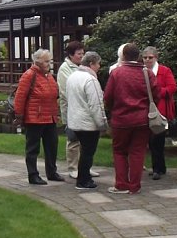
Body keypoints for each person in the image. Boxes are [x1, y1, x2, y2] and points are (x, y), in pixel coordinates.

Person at [103, 43, 159, 195]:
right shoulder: (147, 73)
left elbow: (108, 97)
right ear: (138, 56)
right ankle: (135, 186)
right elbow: (156, 95)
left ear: (124, 56)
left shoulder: (116, 73)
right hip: (142, 119)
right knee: (137, 152)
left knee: (120, 151)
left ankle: (121, 185)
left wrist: (112, 109)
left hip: (121, 119)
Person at [14, 48, 63, 185]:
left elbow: (54, 94)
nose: (49, 63)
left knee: (52, 146)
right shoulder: (29, 75)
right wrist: (19, 115)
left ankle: (52, 172)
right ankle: (33, 175)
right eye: (47, 61)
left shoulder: (48, 76)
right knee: (33, 148)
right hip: (35, 117)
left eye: (50, 61)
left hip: (50, 117)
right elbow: (20, 96)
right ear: (38, 61)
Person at [57, 41, 100, 180]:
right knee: (73, 139)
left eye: (83, 54)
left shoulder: (81, 67)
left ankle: (85, 167)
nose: (81, 57)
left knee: (86, 142)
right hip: (71, 109)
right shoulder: (65, 68)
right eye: (78, 54)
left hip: (84, 109)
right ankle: (73, 167)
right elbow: (65, 91)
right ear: (70, 55)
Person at [64, 51, 107, 190]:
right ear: (91, 64)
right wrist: (102, 123)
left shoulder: (72, 76)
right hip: (88, 123)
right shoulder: (90, 80)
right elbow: (96, 104)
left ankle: (83, 178)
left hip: (75, 121)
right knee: (88, 152)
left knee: (84, 151)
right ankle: (83, 180)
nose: (99, 67)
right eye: (98, 63)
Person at [142, 46, 177, 180]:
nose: (147, 60)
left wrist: (157, 93)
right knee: (152, 141)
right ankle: (159, 167)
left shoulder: (164, 71)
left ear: (156, 58)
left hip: (160, 110)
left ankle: (158, 168)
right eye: (145, 58)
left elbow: (172, 87)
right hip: (146, 110)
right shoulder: (142, 71)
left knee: (157, 139)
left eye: (150, 57)